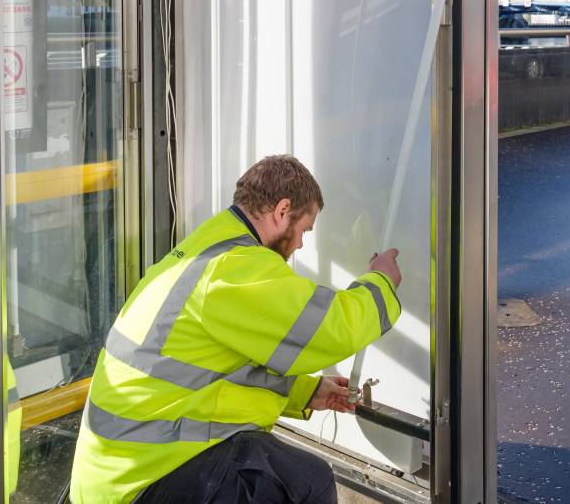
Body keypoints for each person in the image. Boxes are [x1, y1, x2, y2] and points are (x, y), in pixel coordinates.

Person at [70, 155, 402, 503]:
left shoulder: (208, 246)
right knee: (308, 482)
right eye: (304, 230)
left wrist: (306, 392)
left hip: (121, 473)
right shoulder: (233, 269)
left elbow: (214, 374)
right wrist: (381, 281)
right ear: (282, 210)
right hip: (142, 482)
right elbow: (334, 328)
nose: (301, 244)